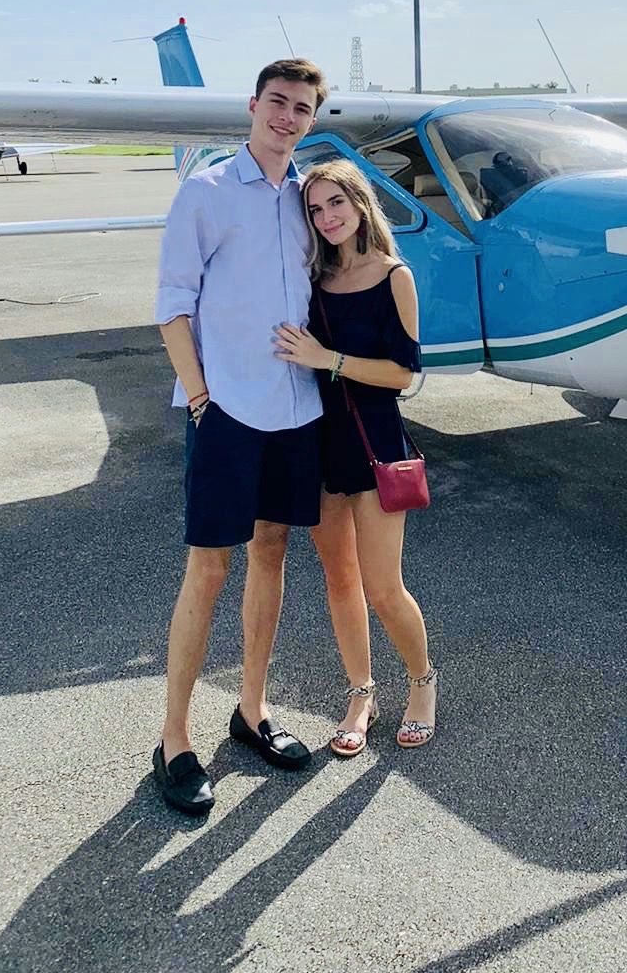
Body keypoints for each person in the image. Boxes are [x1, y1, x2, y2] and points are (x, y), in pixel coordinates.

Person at [151, 58, 329, 817]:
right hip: (226, 411)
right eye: (278, 103)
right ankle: (173, 738)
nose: (287, 118)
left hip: (296, 410)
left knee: (272, 552)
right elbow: (171, 304)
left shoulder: (310, 198)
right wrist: (199, 399)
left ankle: (251, 710)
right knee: (208, 571)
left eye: (302, 109)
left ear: (313, 120)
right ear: (253, 106)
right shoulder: (207, 191)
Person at [275, 158, 437, 756]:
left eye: (334, 204)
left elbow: (402, 375)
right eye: (315, 210)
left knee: (382, 586)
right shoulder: (311, 281)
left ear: (360, 203)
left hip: (374, 444)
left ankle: (422, 685)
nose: (326, 218)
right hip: (318, 444)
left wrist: (330, 360)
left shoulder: (394, 276)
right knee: (339, 581)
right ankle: (361, 692)